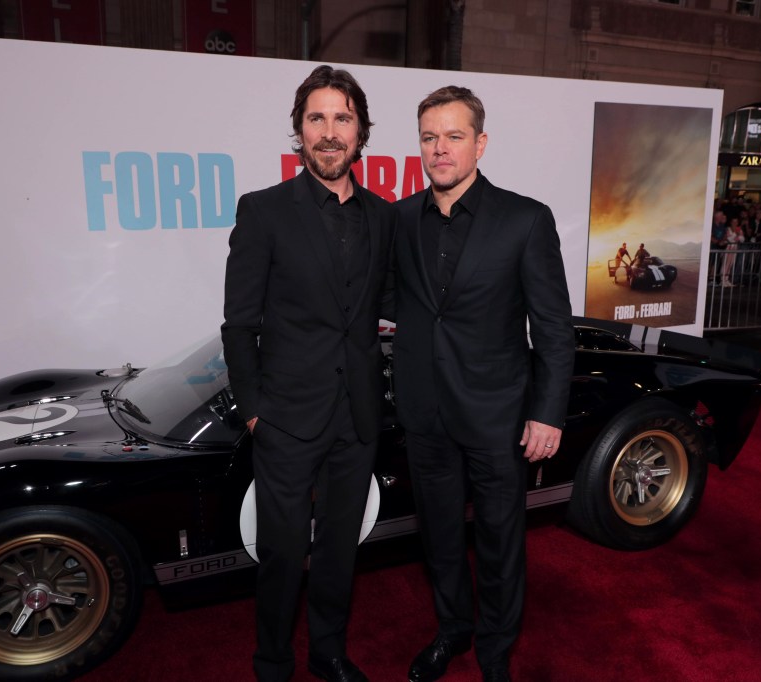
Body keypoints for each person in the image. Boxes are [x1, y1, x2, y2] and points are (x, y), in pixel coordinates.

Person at [390, 86, 575, 682]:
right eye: (429, 137)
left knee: (500, 544)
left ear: (480, 143)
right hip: (425, 415)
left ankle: (497, 654)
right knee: (440, 539)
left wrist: (547, 413)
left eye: (453, 135)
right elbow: (399, 304)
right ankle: (452, 630)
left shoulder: (525, 219)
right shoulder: (400, 220)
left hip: (498, 416)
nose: (439, 149)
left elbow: (552, 328)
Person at [221, 65, 394, 682]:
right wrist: (253, 409)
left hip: (358, 417)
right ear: (299, 131)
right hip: (286, 419)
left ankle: (328, 652)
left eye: (341, 118)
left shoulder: (383, 217)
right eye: (316, 118)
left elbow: (392, 307)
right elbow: (238, 324)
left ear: (360, 132)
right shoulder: (264, 212)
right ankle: (272, 662)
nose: (329, 132)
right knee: (282, 552)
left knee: (339, 552)